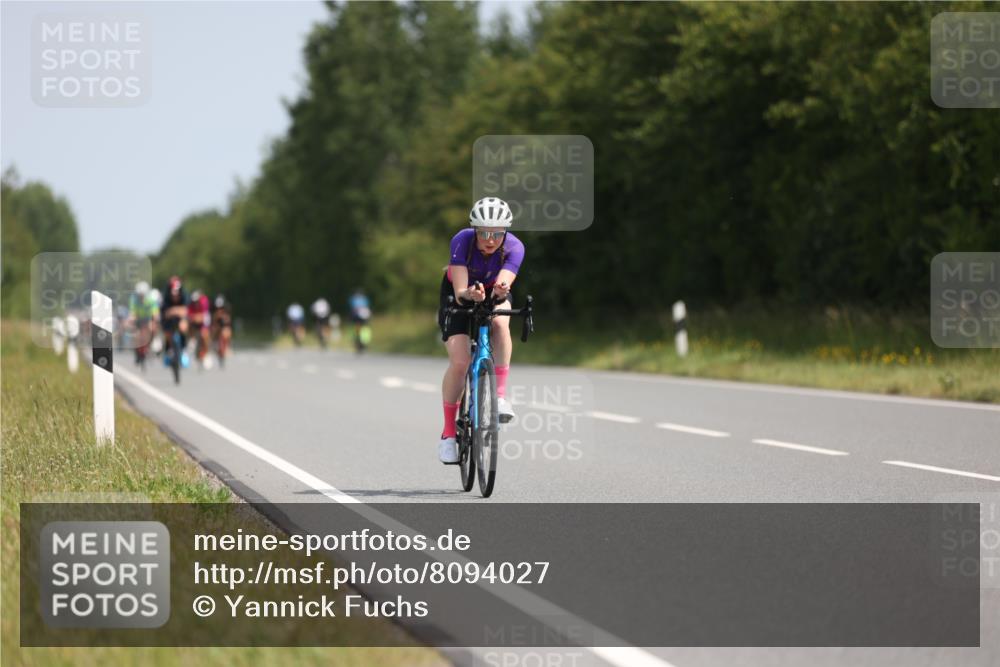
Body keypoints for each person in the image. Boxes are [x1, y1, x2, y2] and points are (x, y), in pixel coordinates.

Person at [436, 197, 524, 464]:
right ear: (474, 230)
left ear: (505, 232)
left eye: (497, 234)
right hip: (461, 293)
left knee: (500, 322)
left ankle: (499, 398)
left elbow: (503, 286)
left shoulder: (515, 247)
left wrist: (499, 291)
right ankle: (448, 435)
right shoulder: (461, 241)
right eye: (484, 233)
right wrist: (469, 294)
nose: (490, 240)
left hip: (491, 292)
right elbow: (460, 292)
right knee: (460, 362)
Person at [127, 281, 160, 366]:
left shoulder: (151, 300)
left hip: (148, 319)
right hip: (138, 319)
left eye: (143, 294)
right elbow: (132, 312)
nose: (141, 296)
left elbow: (155, 313)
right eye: (139, 294)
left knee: (153, 329)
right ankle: (136, 351)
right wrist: (131, 319)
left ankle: (149, 344)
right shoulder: (134, 299)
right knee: (134, 334)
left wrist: (155, 319)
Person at [160, 276, 190, 364]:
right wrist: (177, 311)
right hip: (168, 320)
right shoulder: (166, 297)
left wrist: (173, 311)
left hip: (180, 318)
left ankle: (184, 348)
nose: (175, 295)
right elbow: (165, 313)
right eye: (173, 292)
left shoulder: (184, 296)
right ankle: (169, 349)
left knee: (183, 326)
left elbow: (185, 311)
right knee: (167, 332)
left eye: (177, 292)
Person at [188, 289, 212, 364]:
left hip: (204, 321)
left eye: (197, 301)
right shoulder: (191, 304)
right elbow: (189, 315)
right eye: (194, 302)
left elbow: (204, 316)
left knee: (205, 335)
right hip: (194, 322)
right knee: (188, 325)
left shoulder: (204, 302)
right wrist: (194, 318)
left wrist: (197, 317)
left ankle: (207, 352)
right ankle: (192, 340)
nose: (195, 303)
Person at [211, 294, 233, 364]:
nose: (219, 309)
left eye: (220, 308)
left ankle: (227, 346)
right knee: (213, 330)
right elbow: (212, 321)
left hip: (225, 326)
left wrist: (222, 317)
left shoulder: (227, 308)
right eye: (217, 308)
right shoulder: (212, 308)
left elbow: (228, 322)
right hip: (216, 325)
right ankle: (214, 343)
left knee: (226, 332)